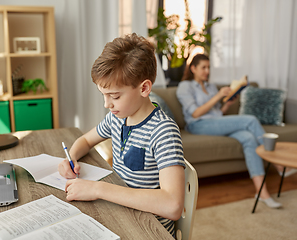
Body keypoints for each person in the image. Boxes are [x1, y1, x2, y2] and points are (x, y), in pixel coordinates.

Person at [58, 33, 186, 236]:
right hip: (120, 214)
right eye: (103, 95)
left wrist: (98, 189)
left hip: (147, 229)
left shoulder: (163, 131)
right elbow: (85, 140)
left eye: (115, 96)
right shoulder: (116, 118)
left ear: (144, 88)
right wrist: (71, 157)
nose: (107, 104)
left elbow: (173, 205)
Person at [176, 54, 291, 209]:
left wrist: (228, 103)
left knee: (249, 138)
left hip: (216, 122)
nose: (207, 71)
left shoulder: (210, 86)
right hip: (198, 124)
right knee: (250, 120)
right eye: (203, 67)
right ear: (193, 68)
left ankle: (262, 193)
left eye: (208, 67)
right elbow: (195, 113)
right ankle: (278, 163)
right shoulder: (185, 86)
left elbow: (218, 112)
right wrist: (218, 95)